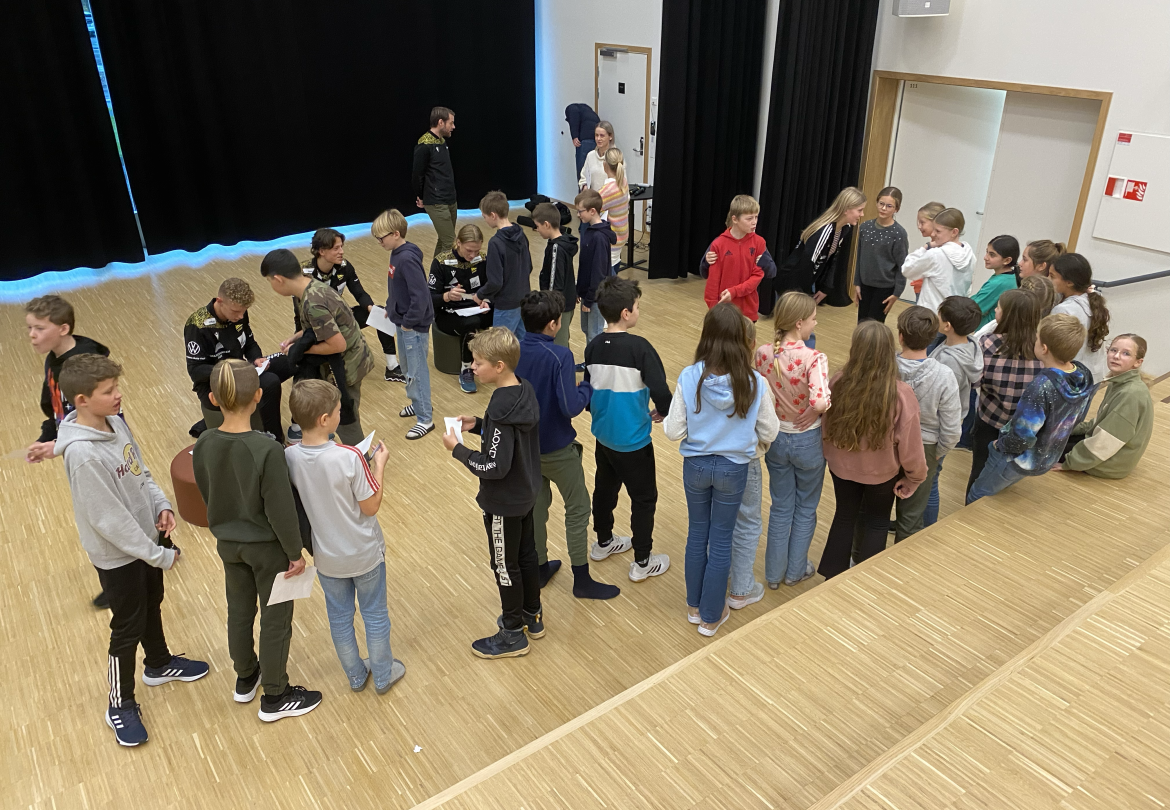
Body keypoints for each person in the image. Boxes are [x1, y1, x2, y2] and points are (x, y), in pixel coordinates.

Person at [57, 354, 208, 747]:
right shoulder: (84, 455)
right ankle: (119, 704)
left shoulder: (116, 423)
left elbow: (139, 470)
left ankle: (158, 663)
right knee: (126, 626)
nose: (119, 395)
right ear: (82, 400)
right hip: (119, 554)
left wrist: (161, 505)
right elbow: (110, 522)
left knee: (152, 602)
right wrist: (157, 555)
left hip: (145, 541)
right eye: (109, 392)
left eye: (117, 387)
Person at [192, 359, 321, 721]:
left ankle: (246, 676)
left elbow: (207, 491)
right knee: (276, 619)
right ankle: (276, 695)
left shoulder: (203, 442)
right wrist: (295, 553)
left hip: (229, 545)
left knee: (239, 611)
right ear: (260, 396)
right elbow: (281, 510)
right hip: (268, 549)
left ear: (214, 399)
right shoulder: (267, 451)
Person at [284, 380, 406, 695]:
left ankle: (355, 676)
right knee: (375, 614)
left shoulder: (290, 457)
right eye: (339, 410)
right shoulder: (350, 456)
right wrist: (379, 466)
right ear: (325, 420)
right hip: (364, 553)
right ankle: (382, 675)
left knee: (340, 619)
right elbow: (371, 506)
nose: (343, 413)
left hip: (327, 558)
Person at [664, 304, 778, 636]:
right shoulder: (755, 382)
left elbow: (673, 430)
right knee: (723, 538)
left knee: (697, 534)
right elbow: (769, 432)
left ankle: (695, 607)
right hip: (735, 469)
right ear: (743, 340)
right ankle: (713, 616)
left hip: (695, 467)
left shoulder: (689, 376)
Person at [442, 328, 544, 659]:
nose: (472, 366)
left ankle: (513, 633)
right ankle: (532, 615)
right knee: (526, 556)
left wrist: (458, 450)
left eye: (478, 362)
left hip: (504, 502)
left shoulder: (501, 407)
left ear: (499, 366)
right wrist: (480, 423)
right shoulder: (522, 390)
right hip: (527, 493)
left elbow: (493, 467)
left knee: (504, 564)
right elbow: (508, 436)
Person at [515, 291, 620, 600]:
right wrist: (587, 386)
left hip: (527, 448)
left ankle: (539, 567)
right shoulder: (560, 355)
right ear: (553, 324)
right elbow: (570, 406)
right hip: (558, 450)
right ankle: (582, 579)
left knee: (536, 509)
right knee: (577, 509)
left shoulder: (515, 351)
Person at [818, 321, 927, 579]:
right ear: (890, 350)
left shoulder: (838, 381)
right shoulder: (901, 393)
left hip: (841, 468)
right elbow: (911, 445)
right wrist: (915, 478)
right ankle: (866, 578)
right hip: (882, 473)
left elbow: (826, 425)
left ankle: (832, 575)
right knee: (877, 521)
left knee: (844, 515)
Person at [24, 294, 114, 607]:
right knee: (98, 514)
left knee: (108, 512)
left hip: (99, 449)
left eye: (39, 328)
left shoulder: (84, 364)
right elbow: (55, 408)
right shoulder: (54, 359)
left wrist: (58, 443)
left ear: (63, 329)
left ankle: (126, 573)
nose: (32, 335)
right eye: (30, 328)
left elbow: (99, 421)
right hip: (73, 445)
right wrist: (47, 435)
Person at [585, 277, 673, 581]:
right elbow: (661, 391)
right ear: (626, 312)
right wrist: (665, 410)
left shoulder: (594, 346)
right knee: (644, 499)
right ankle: (643, 560)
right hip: (634, 442)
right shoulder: (641, 348)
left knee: (604, 490)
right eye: (636, 307)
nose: (638, 311)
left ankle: (603, 542)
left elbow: (588, 390)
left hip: (604, 437)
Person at [967, 314, 1093, 503]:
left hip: (1017, 458)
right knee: (1000, 488)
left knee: (978, 494)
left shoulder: (1041, 387)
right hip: (1047, 455)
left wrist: (1000, 446)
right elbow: (1078, 416)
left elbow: (1022, 434)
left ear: (1044, 348)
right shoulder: (1083, 373)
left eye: (1036, 338)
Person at [753, 291, 828, 589]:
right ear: (799, 323)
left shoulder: (762, 352)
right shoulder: (813, 358)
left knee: (781, 505)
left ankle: (773, 574)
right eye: (812, 319)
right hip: (807, 440)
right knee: (806, 507)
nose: (815, 324)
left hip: (776, 439)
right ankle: (795, 571)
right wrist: (811, 411)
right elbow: (820, 403)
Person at [263, 248, 375, 447]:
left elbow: (337, 344)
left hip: (347, 365)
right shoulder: (311, 286)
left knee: (344, 418)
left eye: (269, 281)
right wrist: (295, 338)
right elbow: (317, 327)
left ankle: (361, 462)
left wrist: (301, 350)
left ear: (278, 279)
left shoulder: (312, 301)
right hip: (351, 358)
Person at [184, 277, 287, 439]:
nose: (240, 316)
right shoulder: (197, 325)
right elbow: (195, 371)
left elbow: (249, 343)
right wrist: (230, 371)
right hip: (216, 384)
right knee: (270, 383)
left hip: (242, 373)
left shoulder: (238, 315)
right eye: (235, 312)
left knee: (289, 360)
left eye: (243, 311)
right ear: (220, 301)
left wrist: (256, 359)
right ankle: (274, 439)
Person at [299, 228, 403, 384]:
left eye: (342, 247)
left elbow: (359, 293)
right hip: (315, 326)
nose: (341, 252)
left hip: (341, 319)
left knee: (380, 314)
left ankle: (392, 367)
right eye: (336, 248)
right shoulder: (304, 273)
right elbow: (299, 311)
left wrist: (371, 309)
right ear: (321, 251)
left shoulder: (345, 267)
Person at [893, 306, 960, 543]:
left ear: (900, 336)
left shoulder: (886, 367)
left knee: (873, 511)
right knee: (911, 517)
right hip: (925, 449)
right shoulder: (944, 375)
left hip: (886, 445)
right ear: (933, 337)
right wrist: (938, 455)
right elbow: (952, 429)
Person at [967, 289, 1043, 495]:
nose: (995, 309)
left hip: (989, 421)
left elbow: (975, 381)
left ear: (1006, 314)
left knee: (979, 471)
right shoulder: (1043, 348)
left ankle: (969, 513)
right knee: (1004, 475)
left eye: (999, 307)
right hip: (1024, 427)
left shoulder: (986, 343)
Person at [370, 209, 435, 439]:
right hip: (402, 320)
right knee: (407, 369)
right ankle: (418, 404)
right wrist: (391, 307)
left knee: (416, 372)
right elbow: (397, 287)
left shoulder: (406, 259)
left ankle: (425, 418)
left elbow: (421, 296)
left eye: (382, 238)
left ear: (396, 233)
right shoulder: (396, 253)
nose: (379, 242)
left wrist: (407, 323)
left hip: (413, 326)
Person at [1059, 334, 1153, 479]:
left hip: (1112, 463)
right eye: (1113, 350)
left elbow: (1107, 440)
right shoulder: (1119, 382)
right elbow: (1100, 422)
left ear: (1137, 362)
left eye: (1126, 353)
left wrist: (1069, 463)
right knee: (1056, 436)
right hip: (1111, 451)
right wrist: (1068, 429)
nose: (1116, 356)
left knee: (1048, 448)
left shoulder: (1130, 393)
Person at [925, 296, 983, 524]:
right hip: (945, 424)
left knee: (929, 484)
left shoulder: (951, 363)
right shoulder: (968, 344)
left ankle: (923, 528)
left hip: (938, 430)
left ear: (947, 325)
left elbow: (938, 400)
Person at [430, 223, 495, 394]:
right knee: (471, 324)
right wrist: (447, 296)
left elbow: (494, 287)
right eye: (469, 250)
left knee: (506, 312)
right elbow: (429, 298)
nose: (473, 255)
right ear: (458, 242)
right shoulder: (440, 262)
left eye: (476, 250)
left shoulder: (483, 259)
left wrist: (487, 300)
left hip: (477, 309)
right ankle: (466, 369)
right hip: (448, 313)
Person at [778, 187, 867, 311]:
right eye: (860, 210)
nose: (862, 215)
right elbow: (806, 265)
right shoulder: (825, 230)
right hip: (793, 284)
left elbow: (832, 261)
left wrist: (826, 288)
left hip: (805, 283)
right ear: (847, 209)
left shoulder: (843, 229)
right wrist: (804, 296)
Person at [699, 194, 778, 323]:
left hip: (748, 311)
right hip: (724, 311)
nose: (754, 222)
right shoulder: (719, 244)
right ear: (735, 219)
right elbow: (710, 278)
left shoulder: (759, 243)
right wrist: (714, 308)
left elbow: (764, 274)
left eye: (756, 217)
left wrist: (734, 291)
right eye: (749, 218)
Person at [476, 190, 532, 340]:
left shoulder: (495, 243)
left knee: (501, 347)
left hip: (506, 304)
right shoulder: (522, 234)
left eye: (484, 216)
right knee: (522, 344)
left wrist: (480, 295)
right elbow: (529, 267)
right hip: (524, 298)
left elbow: (495, 281)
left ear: (493, 215)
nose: (485, 220)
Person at [900, 207, 977, 311]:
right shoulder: (970, 255)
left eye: (938, 231)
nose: (932, 234)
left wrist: (925, 247)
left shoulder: (935, 255)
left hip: (931, 314)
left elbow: (907, 269)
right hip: (953, 313)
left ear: (954, 232)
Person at [1050, 253, 1110, 384]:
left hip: (1072, 379)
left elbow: (1055, 350)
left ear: (1069, 282)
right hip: (1093, 376)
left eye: (1052, 276)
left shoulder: (1064, 310)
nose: (1048, 279)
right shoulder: (1094, 300)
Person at [854, 186, 909, 323]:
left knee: (874, 325)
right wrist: (857, 282)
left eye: (889, 206)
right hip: (865, 285)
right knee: (862, 323)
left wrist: (897, 293)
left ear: (896, 209)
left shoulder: (898, 234)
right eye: (881, 204)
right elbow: (859, 256)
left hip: (885, 288)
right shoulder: (865, 227)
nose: (883, 208)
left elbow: (902, 265)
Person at [413, 106, 458, 257]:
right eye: (451, 123)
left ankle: (435, 277)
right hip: (436, 201)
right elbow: (417, 174)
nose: (453, 126)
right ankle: (445, 277)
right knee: (450, 242)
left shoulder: (442, 142)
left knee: (444, 240)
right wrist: (420, 196)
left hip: (450, 199)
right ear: (440, 122)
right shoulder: (424, 145)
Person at [574, 188, 617, 349]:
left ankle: (595, 368)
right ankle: (590, 363)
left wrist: (590, 298)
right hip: (587, 294)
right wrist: (580, 290)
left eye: (580, 211)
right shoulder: (590, 232)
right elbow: (585, 266)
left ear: (592, 211)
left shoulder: (599, 237)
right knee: (586, 329)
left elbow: (598, 272)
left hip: (595, 297)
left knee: (594, 333)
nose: (578, 215)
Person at [533, 202, 579, 348]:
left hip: (559, 307)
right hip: (565, 303)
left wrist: (552, 309)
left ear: (546, 224)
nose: (537, 230)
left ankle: (563, 370)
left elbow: (555, 282)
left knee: (559, 344)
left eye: (538, 226)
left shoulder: (556, 248)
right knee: (562, 339)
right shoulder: (562, 243)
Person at [971, 235, 1020, 329]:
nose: (985, 257)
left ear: (1007, 260)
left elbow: (973, 308)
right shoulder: (1007, 277)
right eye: (987, 252)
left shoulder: (1000, 283)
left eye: (992, 255)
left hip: (983, 331)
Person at [599, 147, 630, 273]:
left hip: (612, 237)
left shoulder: (608, 189)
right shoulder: (623, 181)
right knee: (616, 261)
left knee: (608, 273)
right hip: (622, 233)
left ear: (604, 164)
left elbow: (595, 207)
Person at [907, 202, 947, 301]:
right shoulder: (931, 245)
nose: (919, 226)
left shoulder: (937, 249)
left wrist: (926, 247)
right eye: (918, 222)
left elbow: (908, 268)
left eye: (922, 223)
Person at [566, 102, 601, 179]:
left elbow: (574, 119)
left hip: (585, 141)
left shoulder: (571, 108)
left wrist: (574, 136)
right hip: (595, 140)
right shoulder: (590, 112)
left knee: (582, 172)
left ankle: (583, 190)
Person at [578, 120, 615, 192]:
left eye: (602, 136)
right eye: (596, 135)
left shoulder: (615, 156)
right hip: (593, 200)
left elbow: (621, 181)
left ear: (610, 136)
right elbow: (583, 177)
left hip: (610, 199)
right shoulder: (590, 155)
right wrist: (585, 187)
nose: (598, 139)